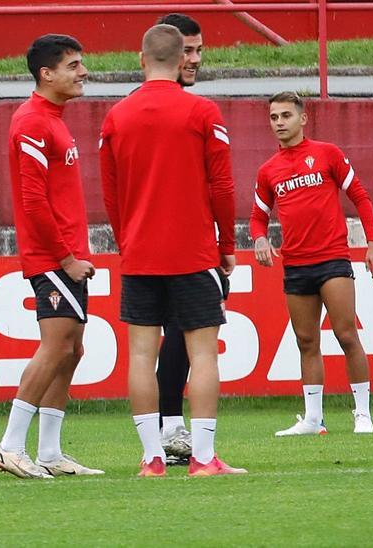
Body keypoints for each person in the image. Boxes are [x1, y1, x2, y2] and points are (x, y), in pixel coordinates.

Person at [99, 25, 244, 477]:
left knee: (142, 354)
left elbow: (110, 194)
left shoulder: (116, 117)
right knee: (202, 354)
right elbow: (222, 184)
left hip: (141, 254)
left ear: (141, 60)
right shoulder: (202, 112)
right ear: (183, 61)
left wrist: (130, 242)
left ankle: (152, 459)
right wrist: (226, 245)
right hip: (193, 253)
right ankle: (202, 458)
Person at [0, 34, 104, 480]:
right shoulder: (33, 121)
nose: (83, 72)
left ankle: (50, 451)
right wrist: (66, 258)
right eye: (74, 65)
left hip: (66, 253)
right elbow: (33, 202)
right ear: (47, 74)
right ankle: (9, 445)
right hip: (53, 257)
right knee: (57, 346)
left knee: (72, 349)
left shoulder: (53, 118)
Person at [252, 91, 373, 436]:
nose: (279, 123)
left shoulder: (327, 154)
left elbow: (361, 196)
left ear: (302, 118)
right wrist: (260, 238)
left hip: (333, 259)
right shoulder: (268, 171)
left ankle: (362, 414)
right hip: (295, 266)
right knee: (306, 341)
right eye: (274, 117)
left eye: (285, 116)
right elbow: (256, 216)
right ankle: (313, 420)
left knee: (346, 334)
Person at [149, 12, 217, 464]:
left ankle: (164, 434)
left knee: (172, 336)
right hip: (182, 242)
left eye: (198, 50)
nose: (193, 60)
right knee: (186, 335)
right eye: (187, 51)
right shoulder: (191, 111)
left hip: (163, 240)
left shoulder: (139, 106)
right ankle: (170, 429)